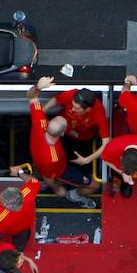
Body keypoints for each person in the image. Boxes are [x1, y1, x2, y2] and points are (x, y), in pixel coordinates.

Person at [26, 75, 96, 207]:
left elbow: (31, 96)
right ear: (63, 133)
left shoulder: (40, 123)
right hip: (60, 170)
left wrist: (39, 87)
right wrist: (56, 188)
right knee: (93, 185)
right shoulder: (53, 158)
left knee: (40, 171)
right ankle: (74, 195)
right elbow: (50, 176)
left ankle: (42, 182)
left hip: (37, 160)